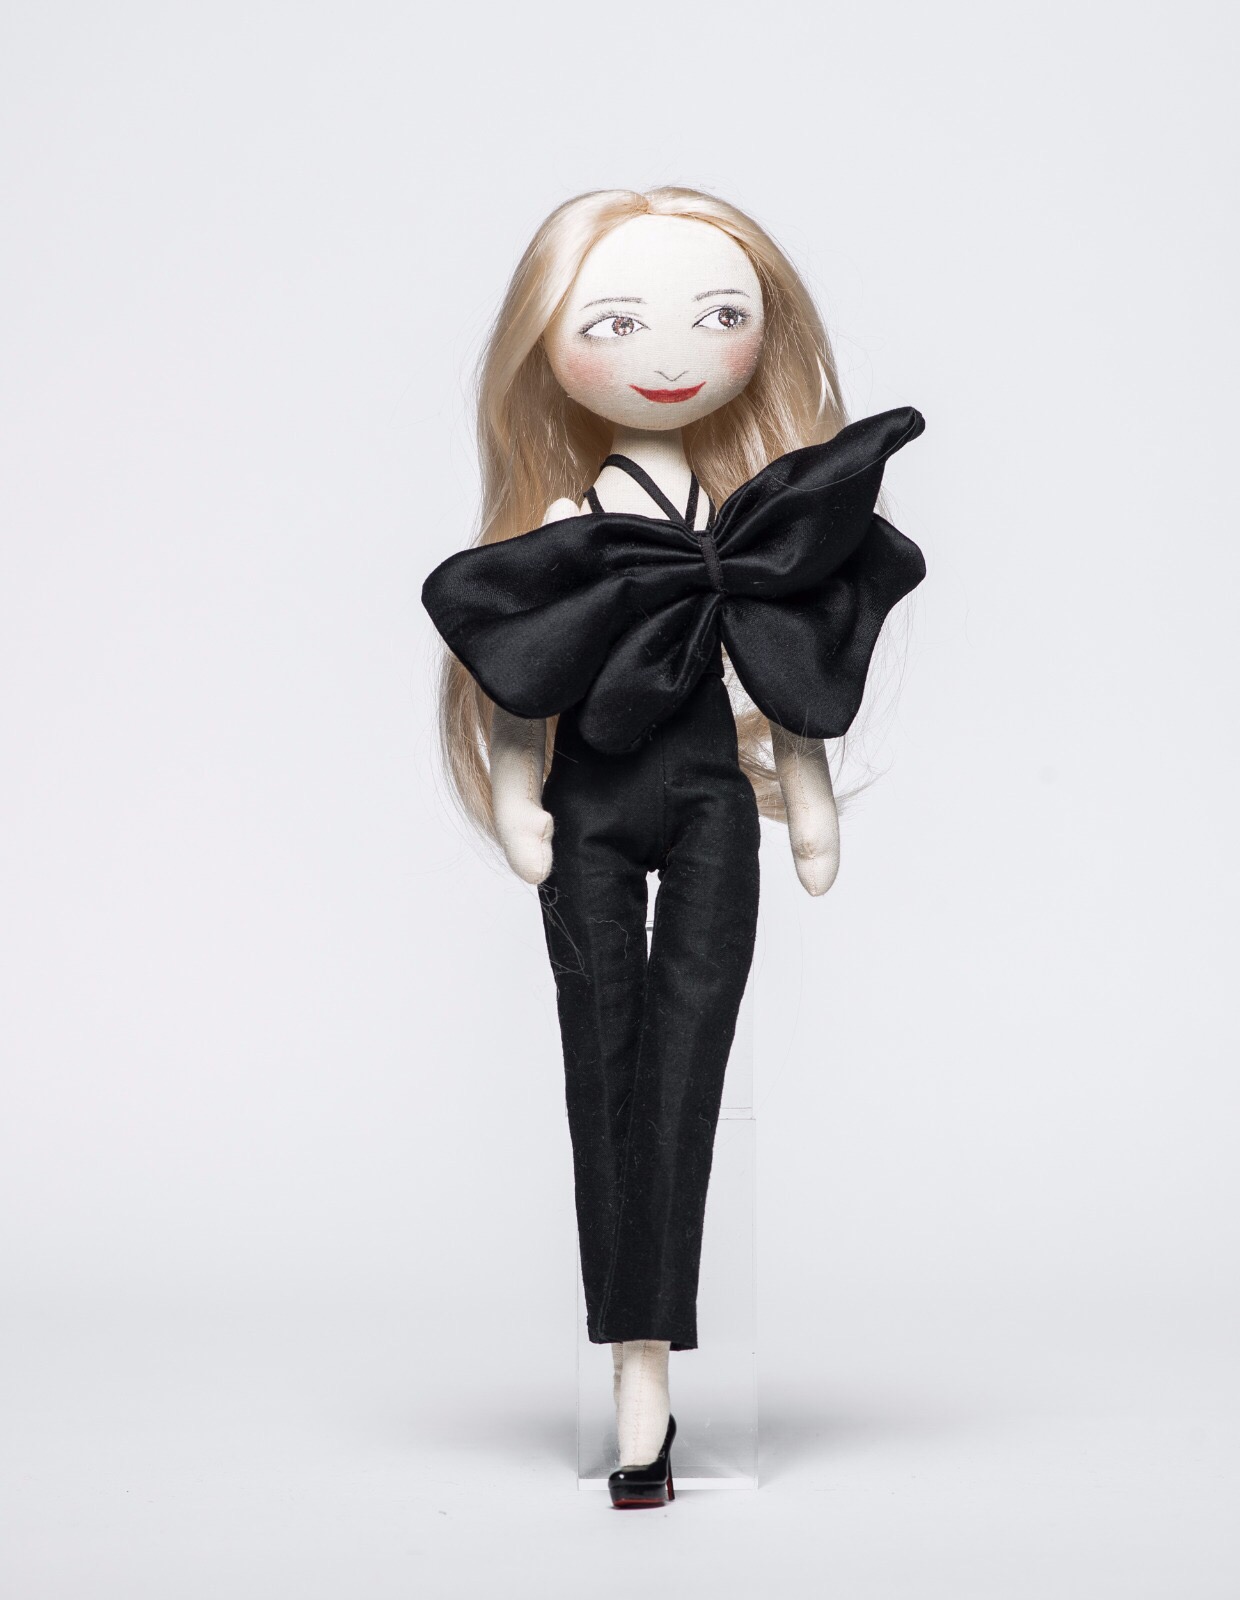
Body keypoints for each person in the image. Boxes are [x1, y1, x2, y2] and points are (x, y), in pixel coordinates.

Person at [422, 187, 925, 1507]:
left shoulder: (749, 522)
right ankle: (633, 1369)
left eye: (716, 316)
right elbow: (524, 667)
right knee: (602, 1057)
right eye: (615, 322)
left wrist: (806, 793)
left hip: (710, 802)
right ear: (547, 343)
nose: (668, 353)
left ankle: (654, 1361)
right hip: (588, 807)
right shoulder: (566, 514)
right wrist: (518, 794)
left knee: (692, 1060)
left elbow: (780, 660)